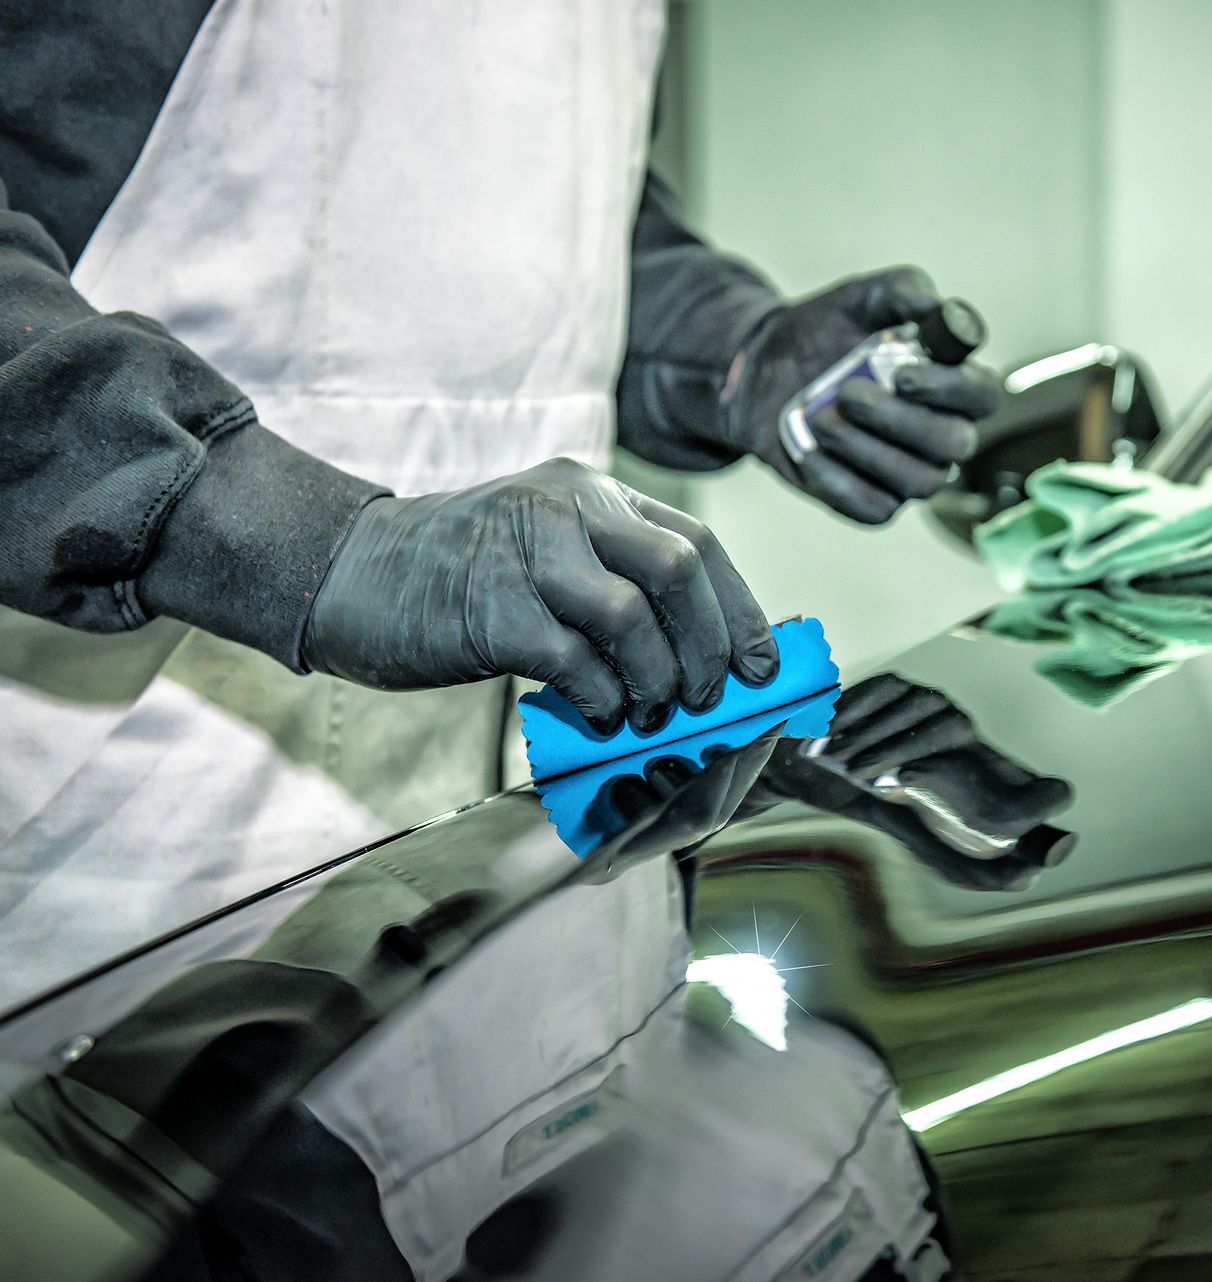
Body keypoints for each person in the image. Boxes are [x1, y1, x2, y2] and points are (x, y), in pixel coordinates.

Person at [0, 0, 1000, 1008]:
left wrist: (727, 351)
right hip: (108, 835)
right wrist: (299, 538)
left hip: (506, 840)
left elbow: (532, 215)